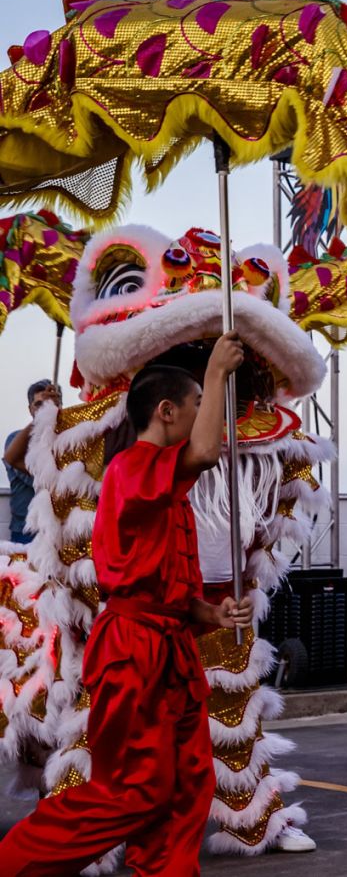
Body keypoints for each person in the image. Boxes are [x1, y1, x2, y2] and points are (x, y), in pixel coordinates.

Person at [0, 338, 255, 874]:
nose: (203, 421)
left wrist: (212, 614)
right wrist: (213, 373)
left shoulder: (167, 485)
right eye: (195, 408)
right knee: (132, 791)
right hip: (135, 650)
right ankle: (14, 863)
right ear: (166, 411)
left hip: (171, 649)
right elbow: (206, 452)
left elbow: (167, 589)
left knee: (189, 783)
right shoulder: (134, 467)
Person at [2, 379, 61, 546]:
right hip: (26, 532)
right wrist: (43, 417)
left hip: (58, 532)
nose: (45, 409)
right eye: (39, 405)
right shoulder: (14, 441)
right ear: (30, 409)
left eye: (50, 405)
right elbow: (41, 477)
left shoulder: (67, 441)